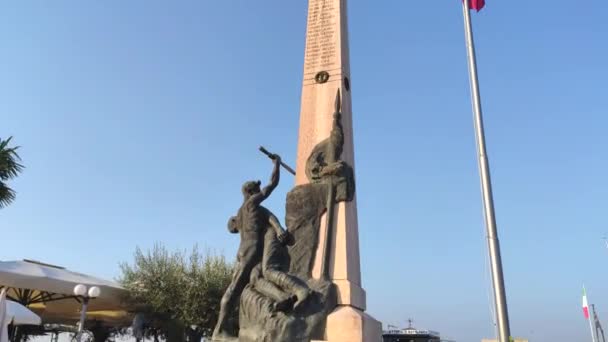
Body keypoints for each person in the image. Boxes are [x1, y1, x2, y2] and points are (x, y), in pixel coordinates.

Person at [212, 154, 288, 340]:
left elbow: (232, 226)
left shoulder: (244, 212)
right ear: (250, 192)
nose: (260, 191)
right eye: (257, 189)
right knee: (234, 289)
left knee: (256, 279)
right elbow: (273, 184)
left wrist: (277, 228)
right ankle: (219, 331)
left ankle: (282, 299)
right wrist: (276, 165)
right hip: (249, 253)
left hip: (251, 253)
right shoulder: (251, 204)